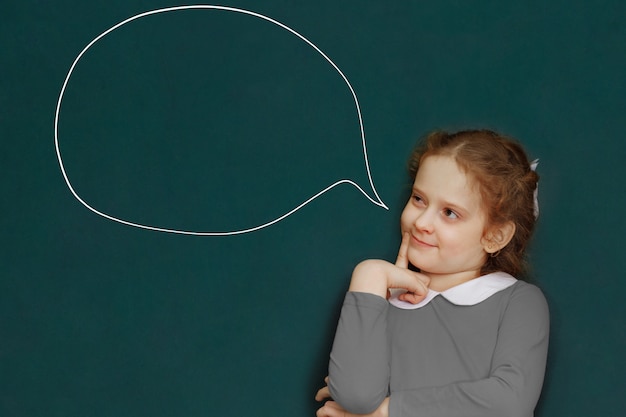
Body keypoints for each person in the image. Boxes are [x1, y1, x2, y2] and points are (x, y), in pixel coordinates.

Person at [315, 129, 549, 417]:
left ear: (495, 236)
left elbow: (508, 401)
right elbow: (356, 396)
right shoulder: (381, 300)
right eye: (418, 199)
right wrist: (369, 275)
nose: (422, 222)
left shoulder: (518, 302)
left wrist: (386, 411)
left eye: (450, 213)